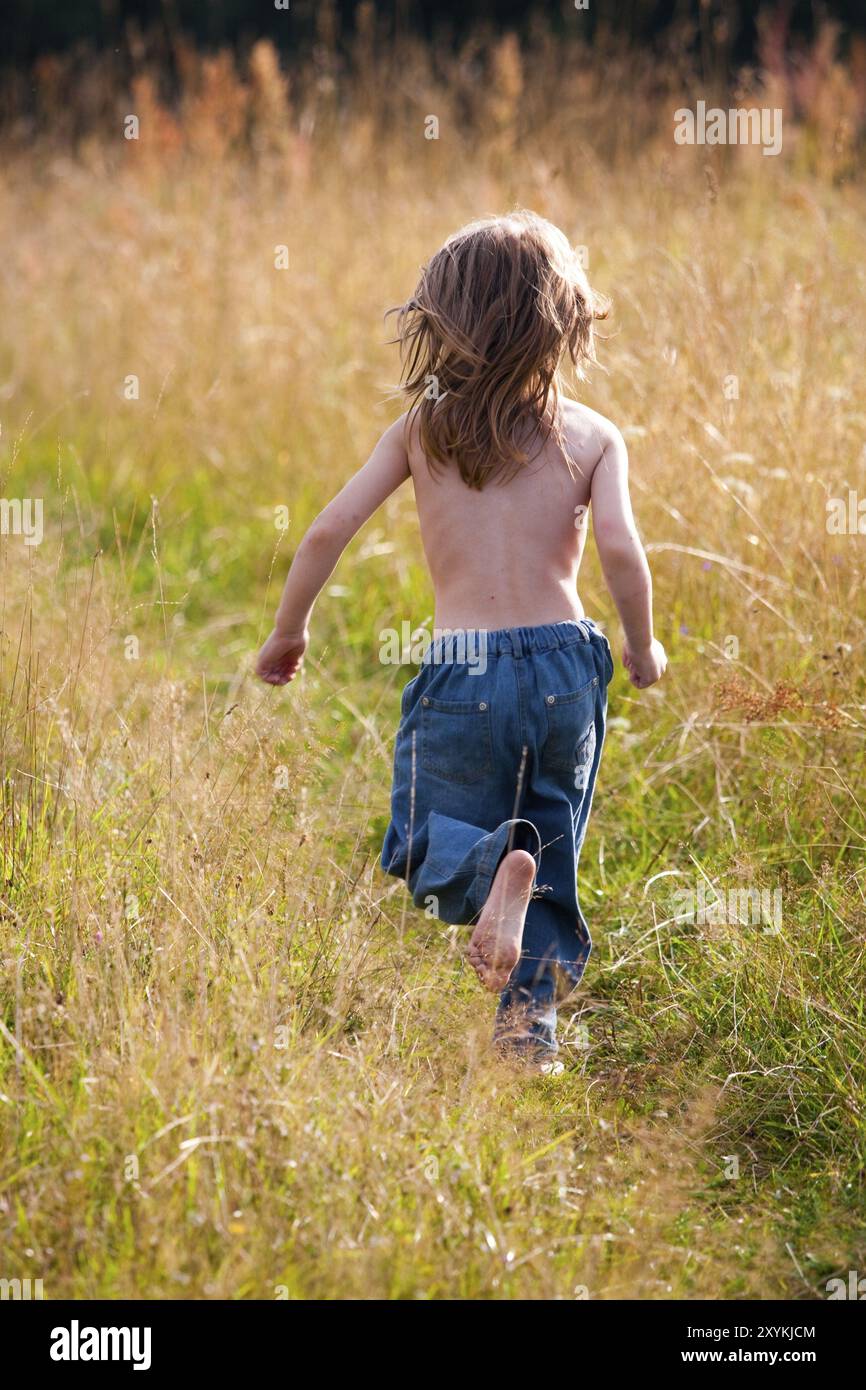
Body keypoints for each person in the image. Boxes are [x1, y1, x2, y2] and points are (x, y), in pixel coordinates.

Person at [255, 211, 667, 1067]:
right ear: (564, 319)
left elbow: (330, 528)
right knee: (552, 844)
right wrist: (642, 646)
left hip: (464, 669)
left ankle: (490, 874)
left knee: (416, 837)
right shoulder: (592, 435)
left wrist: (288, 630)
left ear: (445, 320)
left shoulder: (422, 431)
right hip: (567, 665)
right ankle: (530, 1036)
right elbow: (623, 550)